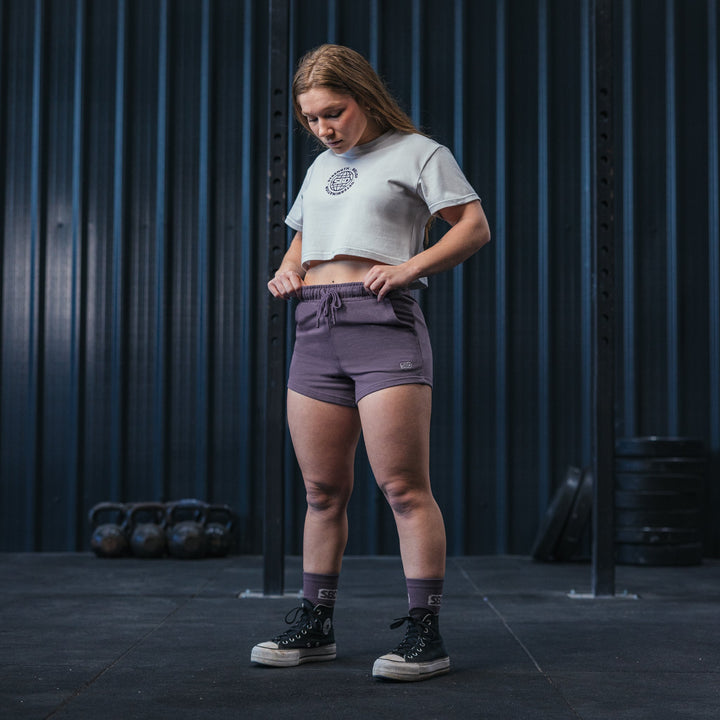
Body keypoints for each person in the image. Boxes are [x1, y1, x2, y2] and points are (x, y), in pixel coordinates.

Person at [250, 44, 490, 682]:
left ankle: (425, 634)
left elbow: (472, 226)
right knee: (322, 492)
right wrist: (287, 270)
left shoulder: (418, 153)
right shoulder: (319, 166)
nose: (323, 129)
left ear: (364, 97)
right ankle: (316, 624)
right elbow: (304, 240)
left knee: (404, 489)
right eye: (311, 119)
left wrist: (410, 268)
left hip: (382, 324)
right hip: (314, 328)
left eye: (333, 113)